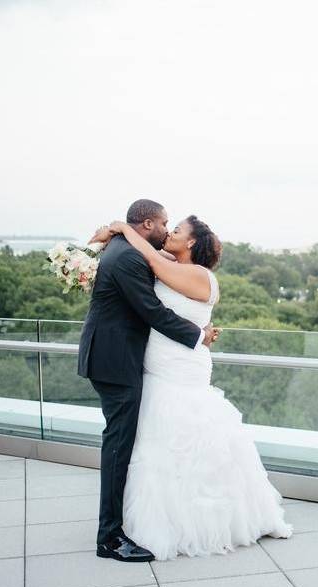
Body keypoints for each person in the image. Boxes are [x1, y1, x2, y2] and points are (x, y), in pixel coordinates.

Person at [87, 212, 293, 562]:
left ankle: (198, 520)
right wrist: (106, 237)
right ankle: (143, 521)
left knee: (191, 442)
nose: (169, 232)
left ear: (192, 242)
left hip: (181, 369)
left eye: (177, 229)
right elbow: (144, 257)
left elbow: (149, 257)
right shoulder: (170, 261)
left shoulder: (199, 276)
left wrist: (122, 228)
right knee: (155, 446)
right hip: (155, 368)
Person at [79, 199, 220, 562]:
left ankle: (124, 524)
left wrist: (111, 232)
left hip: (122, 360)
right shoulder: (127, 256)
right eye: (164, 224)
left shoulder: (127, 248)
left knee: (128, 443)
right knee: (118, 446)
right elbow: (152, 311)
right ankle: (109, 538)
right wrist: (198, 335)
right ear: (146, 225)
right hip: (115, 362)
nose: (167, 230)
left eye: (174, 227)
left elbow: (164, 271)